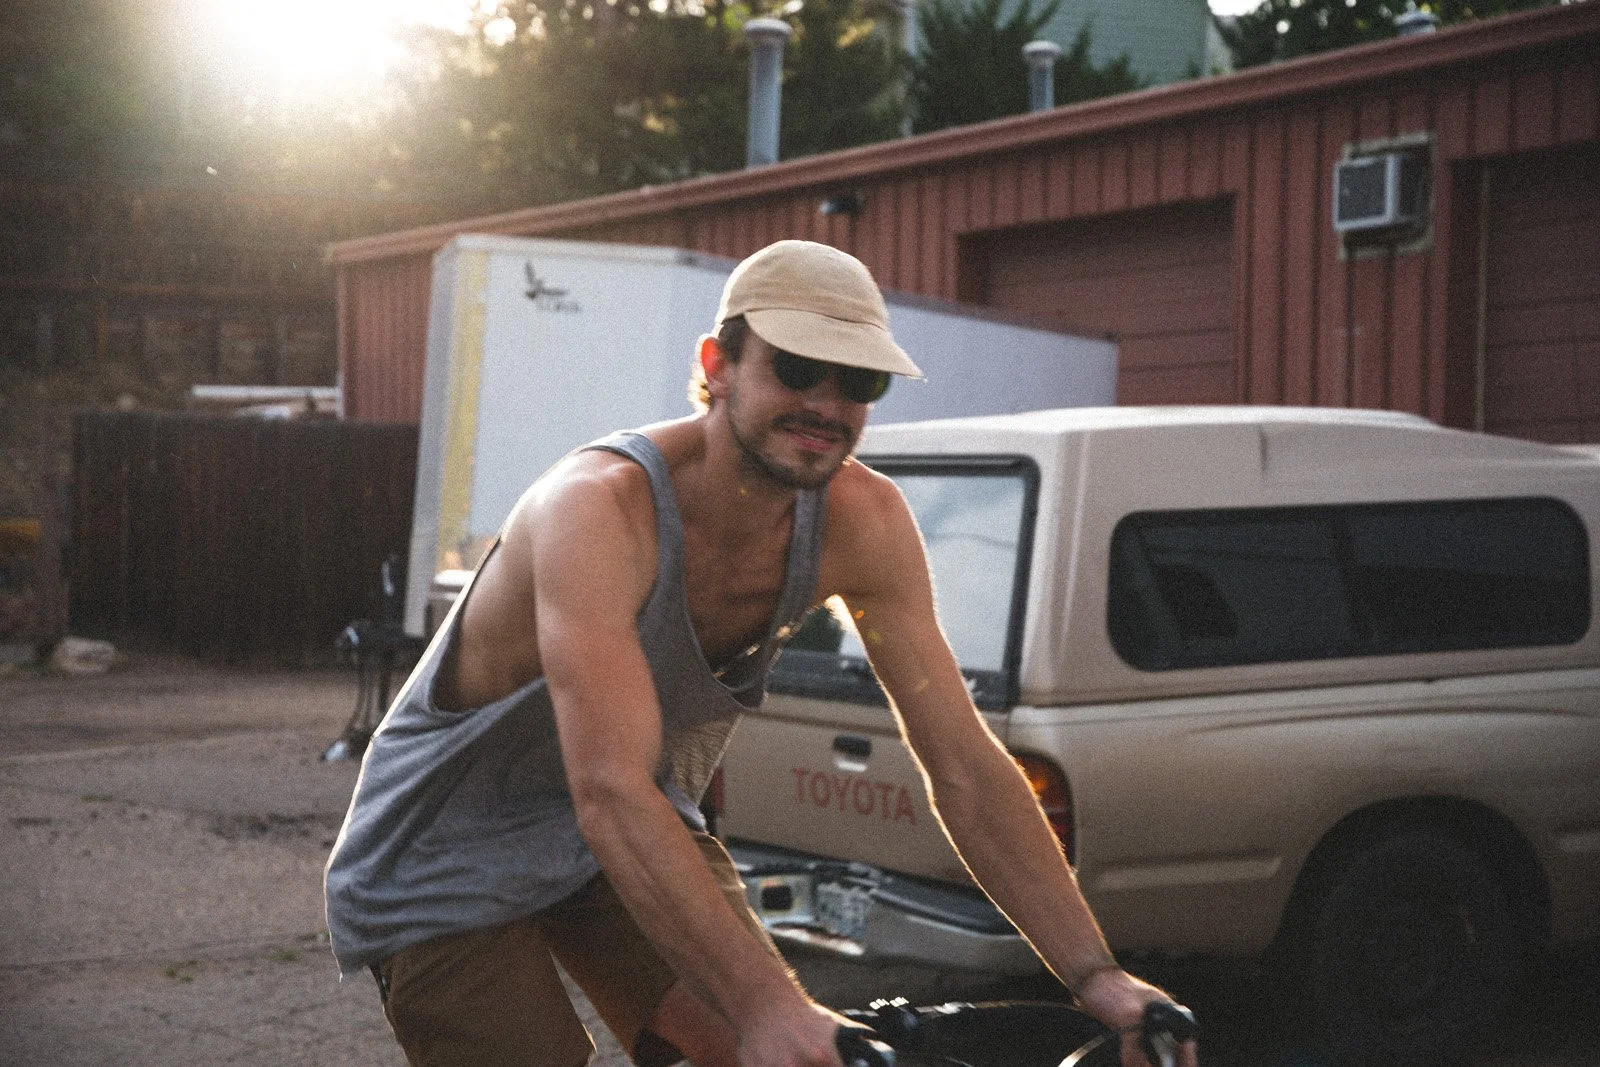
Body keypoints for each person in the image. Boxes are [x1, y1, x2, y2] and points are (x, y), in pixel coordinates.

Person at [325, 239, 1198, 1067]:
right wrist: (769, 1007)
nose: (824, 401)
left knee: (761, 1050)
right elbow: (611, 790)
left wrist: (1096, 974)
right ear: (717, 366)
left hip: (618, 838)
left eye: (856, 380)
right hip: (443, 851)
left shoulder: (864, 524)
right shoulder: (597, 512)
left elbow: (964, 765)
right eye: (794, 367)